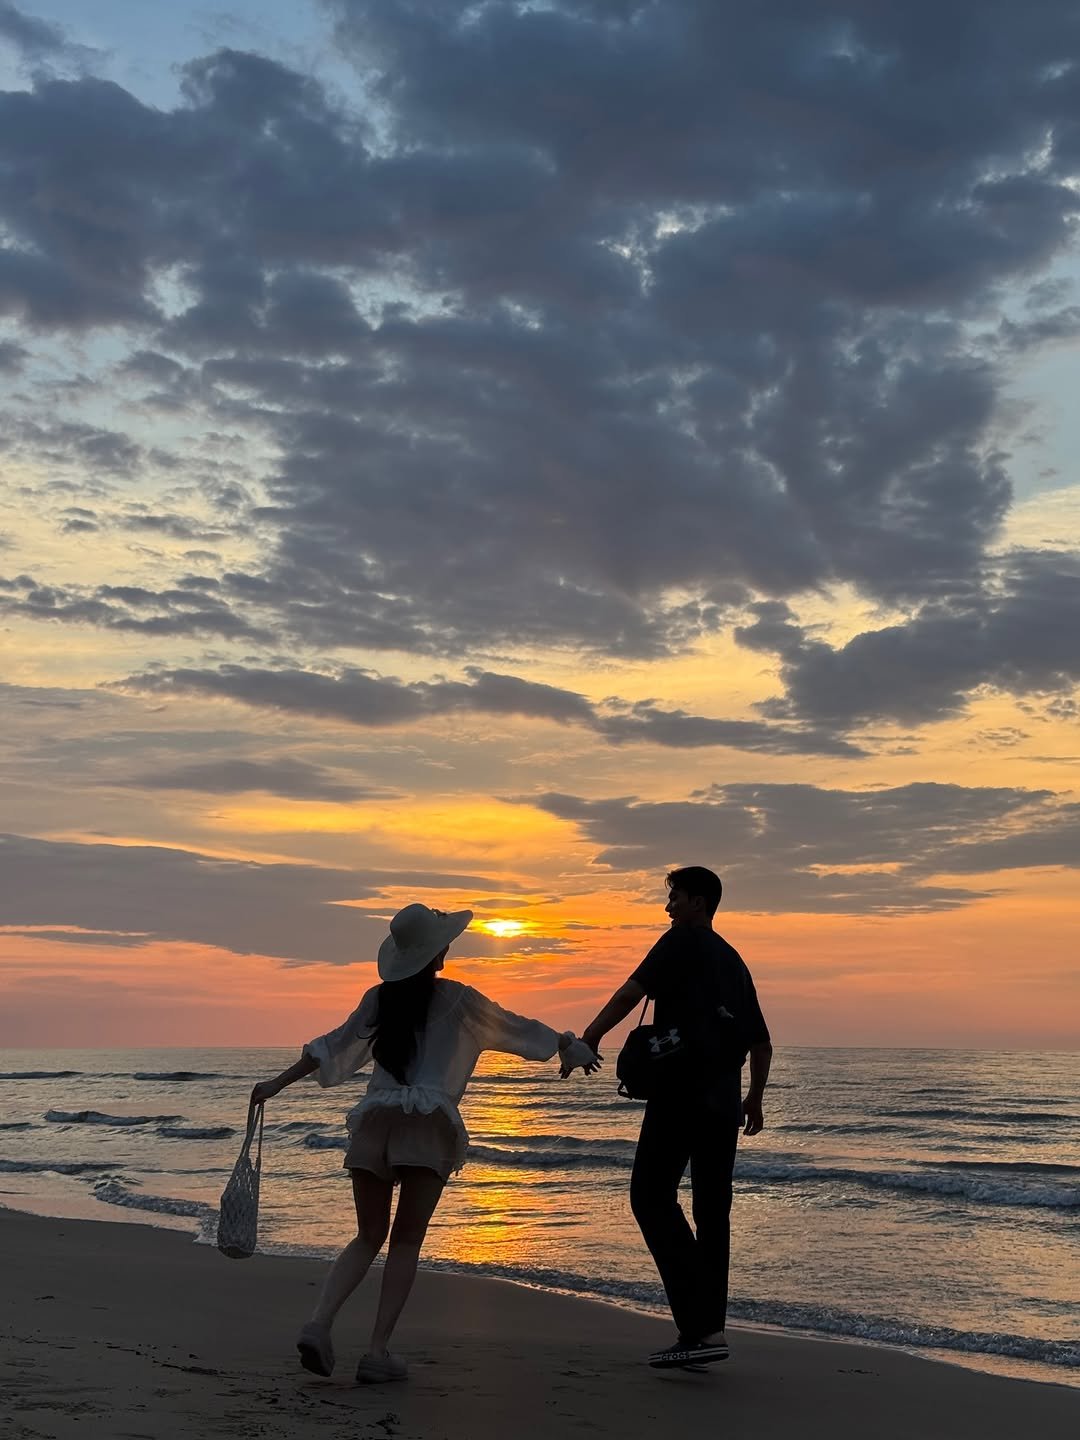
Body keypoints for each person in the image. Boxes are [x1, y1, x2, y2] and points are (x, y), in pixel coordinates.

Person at [251, 902, 598, 1384]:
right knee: (406, 1242)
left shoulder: (379, 999)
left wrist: (275, 1085)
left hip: (376, 1119)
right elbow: (519, 1030)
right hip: (429, 1124)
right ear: (438, 954)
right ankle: (377, 1351)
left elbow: (329, 1048)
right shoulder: (460, 999)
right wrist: (571, 1047)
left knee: (368, 1235)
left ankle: (319, 1323)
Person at [577, 866, 772, 1370]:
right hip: (724, 1101)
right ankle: (708, 1332)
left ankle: (700, 1322)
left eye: (676, 898)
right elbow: (760, 1040)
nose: (668, 908)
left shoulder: (680, 941)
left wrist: (591, 1037)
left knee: (649, 1195)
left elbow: (629, 994)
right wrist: (754, 1098)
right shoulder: (733, 959)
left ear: (699, 903)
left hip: (681, 1093)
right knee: (712, 1212)